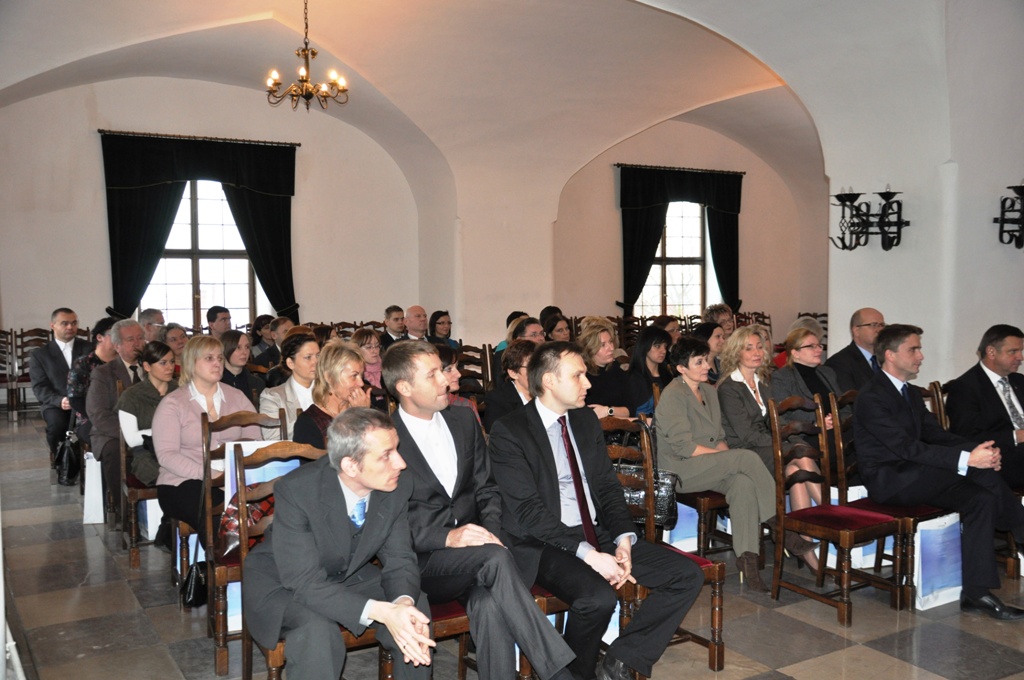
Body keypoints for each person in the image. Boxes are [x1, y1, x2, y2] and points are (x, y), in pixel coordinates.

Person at [488, 341, 703, 680]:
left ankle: (622, 659)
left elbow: (606, 486)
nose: (587, 383)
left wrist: (623, 538)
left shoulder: (584, 420)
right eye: (578, 376)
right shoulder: (511, 430)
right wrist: (590, 555)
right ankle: (576, 675)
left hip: (595, 532)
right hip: (542, 543)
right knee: (598, 598)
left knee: (686, 575)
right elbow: (528, 513)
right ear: (549, 381)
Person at [383, 341, 577, 680]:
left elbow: (487, 488)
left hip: (479, 553)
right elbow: (386, 522)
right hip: (422, 561)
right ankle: (559, 673)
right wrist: (448, 537)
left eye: (443, 370)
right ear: (404, 387)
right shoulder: (385, 438)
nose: (447, 380)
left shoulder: (462, 419)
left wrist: (490, 533)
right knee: (496, 559)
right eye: (433, 374)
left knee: (489, 603)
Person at [241, 408, 435, 680]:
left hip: (346, 574)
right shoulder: (299, 490)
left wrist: (401, 604)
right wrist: (381, 611)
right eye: (386, 455)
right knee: (317, 629)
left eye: (397, 449)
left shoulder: (398, 485)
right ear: (350, 466)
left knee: (414, 608)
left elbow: (400, 558)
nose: (401, 463)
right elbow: (304, 582)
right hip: (284, 581)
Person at [854, 324, 1024, 620]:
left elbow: (938, 435)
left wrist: (981, 450)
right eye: (914, 349)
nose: (921, 356)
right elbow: (906, 448)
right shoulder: (872, 396)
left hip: (917, 474)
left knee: (981, 499)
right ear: (890, 355)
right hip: (891, 480)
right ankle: (1021, 531)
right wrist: (970, 459)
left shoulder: (907, 392)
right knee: (978, 473)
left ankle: (976, 593)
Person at [655, 337, 810, 591]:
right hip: (681, 469)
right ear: (681, 368)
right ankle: (780, 526)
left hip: (706, 465)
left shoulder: (708, 391)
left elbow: (719, 438)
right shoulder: (673, 395)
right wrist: (730, 459)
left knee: (742, 482)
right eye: (699, 362)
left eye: (706, 360)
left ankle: (748, 562)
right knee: (745, 457)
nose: (707, 366)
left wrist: (729, 461)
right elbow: (684, 448)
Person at [151, 336, 259, 533]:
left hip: (234, 478)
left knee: (269, 505)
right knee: (216, 512)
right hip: (183, 481)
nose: (217, 363)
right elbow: (167, 456)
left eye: (220, 358)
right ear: (191, 363)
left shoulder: (237, 397)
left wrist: (234, 476)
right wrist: (212, 476)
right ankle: (221, 554)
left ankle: (257, 551)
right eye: (209, 358)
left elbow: (255, 442)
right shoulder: (173, 403)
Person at [945, 324, 1024, 488]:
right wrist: (1016, 436)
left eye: (1021, 351)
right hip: (1002, 459)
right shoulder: (965, 387)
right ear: (991, 352)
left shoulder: (1019, 381)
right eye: (1013, 351)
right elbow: (966, 436)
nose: (1020, 357)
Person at [117, 341, 177, 545]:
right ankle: (170, 528)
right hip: (146, 455)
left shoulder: (180, 391)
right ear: (147, 366)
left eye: (172, 362)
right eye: (163, 363)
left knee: (193, 472)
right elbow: (132, 439)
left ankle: (174, 526)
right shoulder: (131, 396)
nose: (169, 367)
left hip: (177, 450)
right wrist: (164, 430)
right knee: (171, 475)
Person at [771, 326, 846, 486]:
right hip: (806, 435)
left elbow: (842, 405)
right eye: (811, 346)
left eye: (819, 345)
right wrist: (816, 423)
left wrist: (840, 421)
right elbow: (784, 414)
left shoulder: (827, 372)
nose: (818, 350)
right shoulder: (781, 377)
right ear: (795, 352)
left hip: (836, 430)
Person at [86, 319, 147, 514]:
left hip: (149, 429)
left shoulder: (153, 368)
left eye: (140, 338)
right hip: (112, 432)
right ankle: (125, 511)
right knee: (114, 450)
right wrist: (128, 434)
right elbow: (98, 414)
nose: (138, 344)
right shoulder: (103, 373)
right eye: (131, 340)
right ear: (117, 345)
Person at [30, 307, 90, 464]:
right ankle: (60, 461)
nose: (70, 327)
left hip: (86, 402)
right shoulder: (40, 355)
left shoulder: (89, 349)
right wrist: (59, 400)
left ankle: (90, 460)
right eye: (65, 323)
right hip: (56, 403)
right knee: (56, 426)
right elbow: (39, 386)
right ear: (52, 325)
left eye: (74, 323)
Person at [293, 340, 371, 448]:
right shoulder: (308, 423)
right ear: (329, 377)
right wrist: (359, 416)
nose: (361, 383)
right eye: (354, 376)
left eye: (361, 376)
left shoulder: (365, 407)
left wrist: (364, 414)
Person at [260, 332, 320, 440]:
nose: (316, 362)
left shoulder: (331, 391)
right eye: (308, 357)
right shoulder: (273, 397)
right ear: (290, 363)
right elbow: (274, 441)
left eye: (318, 356)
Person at [67, 317, 118, 444]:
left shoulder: (124, 361)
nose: (119, 338)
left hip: (122, 415)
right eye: (115, 334)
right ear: (99, 337)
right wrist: (101, 416)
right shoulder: (83, 363)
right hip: (90, 418)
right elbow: (75, 399)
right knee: (110, 440)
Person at [825, 307, 886, 393]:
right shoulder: (839, 362)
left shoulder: (887, 359)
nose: (879, 330)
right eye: (873, 325)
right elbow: (849, 398)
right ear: (856, 330)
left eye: (882, 325)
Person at [579, 322, 632, 418]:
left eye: (610, 342)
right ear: (590, 349)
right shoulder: (583, 376)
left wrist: (607, 411)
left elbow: (629, 410)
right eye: (603, 345)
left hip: (620, 425)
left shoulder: (616, 369)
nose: (611, 348)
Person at [482, 339, 536, 432]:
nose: (539, 372)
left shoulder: (547, 394)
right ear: (513, 373)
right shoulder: (497, 400)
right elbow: (498, 435)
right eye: (531, 367)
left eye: (541, 365)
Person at [626, 325, 673, 416]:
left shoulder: (668, 375)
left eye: (665, 346)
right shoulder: (633, 378)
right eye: (657, 346)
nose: (663, 351)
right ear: (644, 346)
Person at [435, 343, 480, 423]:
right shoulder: (420, 409)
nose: (459, 374)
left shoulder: (465, 405)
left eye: (457, 367)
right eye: (449, 369)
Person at [220, 329, 264, 407]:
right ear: (225, 349)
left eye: (247, 347)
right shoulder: (215, 383)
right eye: (238, 347)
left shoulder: (257, 383)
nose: (244, 352)